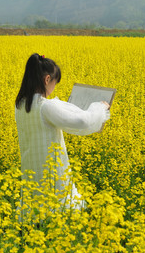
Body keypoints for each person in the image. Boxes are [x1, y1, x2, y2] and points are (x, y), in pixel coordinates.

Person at [15, 53, 110, 209]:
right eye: (54, 82)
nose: (54, 87)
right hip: (51, 173)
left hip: (32, 171)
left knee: (36, 212)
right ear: (47, 80)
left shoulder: (20, 105)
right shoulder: (45, 106)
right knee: (58, 210)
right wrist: (99, 107)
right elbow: (83, 121)